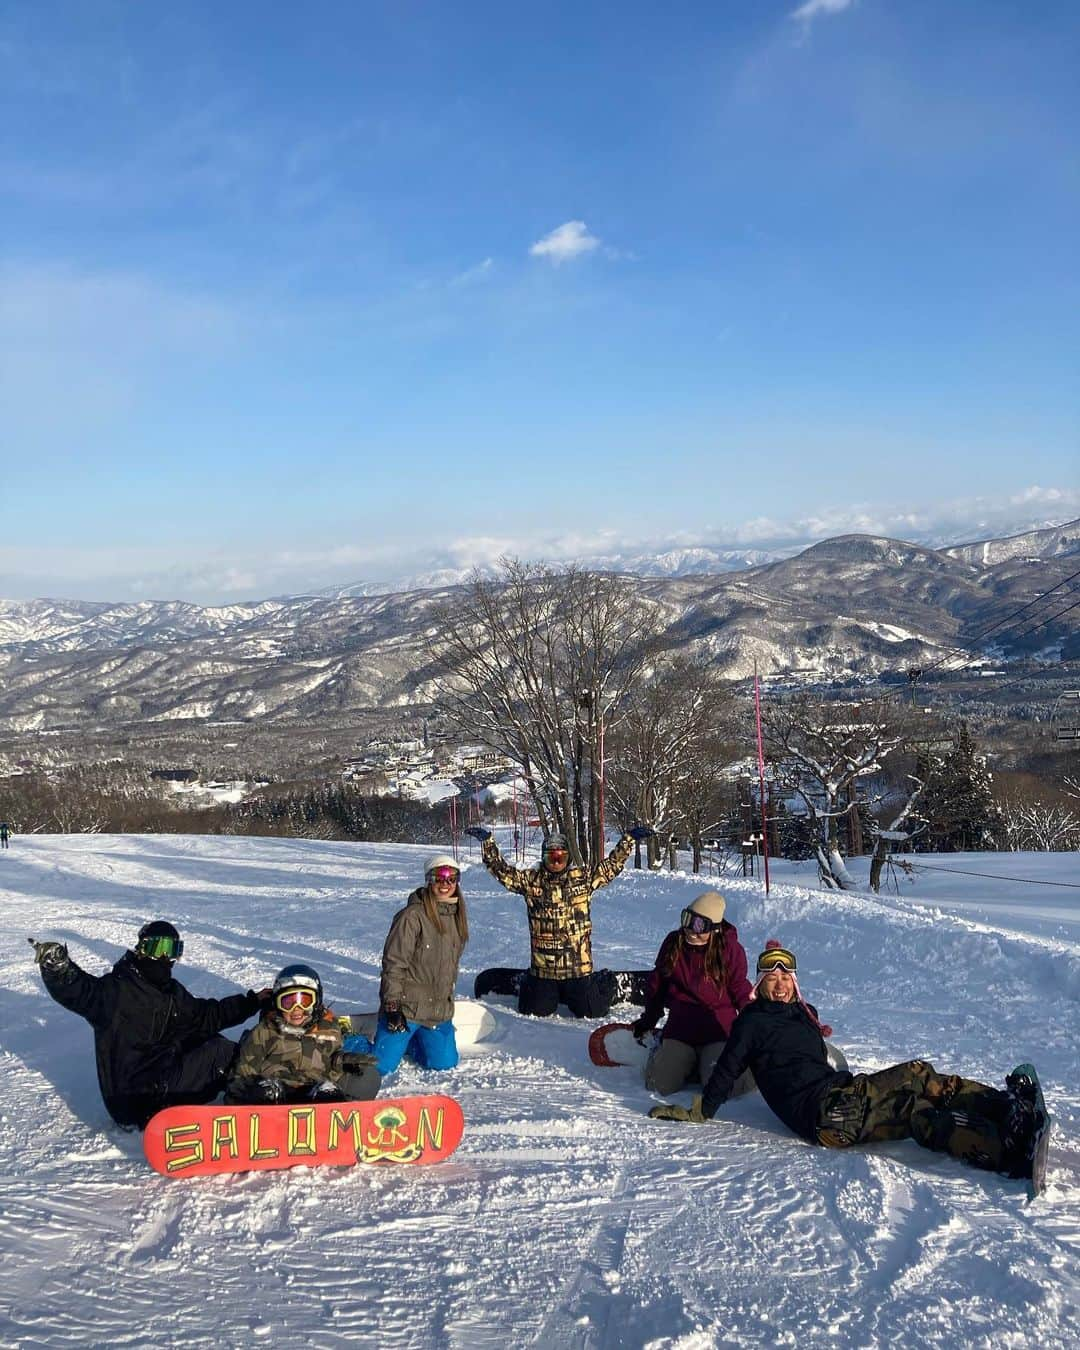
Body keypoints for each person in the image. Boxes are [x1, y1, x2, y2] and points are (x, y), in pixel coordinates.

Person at [648, 940, 1046, 1181]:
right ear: (759, 983)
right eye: (772, 977)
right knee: (916, 1074)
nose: (781, 983)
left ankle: (1002, 1148)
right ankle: (1003, 1107)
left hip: (838, 1107)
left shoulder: (801, 1014)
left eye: (787, 977)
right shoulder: (750, 1023)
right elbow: (728, 1068)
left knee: (917, 1113)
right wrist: (699, 1111)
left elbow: (820, 1055)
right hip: (825, 1112)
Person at [30, 921, 269, 1130]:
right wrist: (59, 969)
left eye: (172, 950)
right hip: (134, 1099)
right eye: (158, 948)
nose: (165, 958)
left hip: (161, 1078)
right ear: (142, 949)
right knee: (221, 1053)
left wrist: (252, 1002)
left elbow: (206, 1016)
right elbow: (81, 992)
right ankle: (254, 1109)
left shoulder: (169, 993)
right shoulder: (117, 991)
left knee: (211, 1040)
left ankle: (272, 1082)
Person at [467, 824, 647, 1018]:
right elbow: (502, 871)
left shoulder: (583, 879)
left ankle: (605, 980)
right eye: (550, 857)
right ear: (543, 857)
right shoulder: (530, 881)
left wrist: (628, 840)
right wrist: (488, 844)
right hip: (544, 971)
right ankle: (525, 980)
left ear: (567, 857)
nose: (555, 862)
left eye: (560, 857)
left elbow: (611, 866)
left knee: (593, 1010)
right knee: (533, 1010)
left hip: (578, 970)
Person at [344, 854, 469, 1077]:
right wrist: (392, 1007)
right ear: (429, 880)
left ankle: (410, 1042)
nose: (446, 884)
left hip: (437, 1012)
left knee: (444, 1064)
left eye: (452, 878)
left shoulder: (457, 917)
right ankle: (349, 1039)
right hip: (407, 1009)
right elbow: (394, 964)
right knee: (380, 1067)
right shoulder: (412, 917)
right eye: (439, 877)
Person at [632, 891, 754, 1097]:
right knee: (659, 1085)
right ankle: (675, 1059)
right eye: (687, 920)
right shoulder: (674, 943)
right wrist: (648, 1021)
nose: (690, 930)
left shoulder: (730, 950)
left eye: (699, 926)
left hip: (718, 1032)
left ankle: (745, 1065)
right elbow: (657, 987)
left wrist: (756, 1027)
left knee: (722, 1089)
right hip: (681, 1030)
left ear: (714, 929)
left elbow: (741, 989)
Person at [226, 963, 380, 1105]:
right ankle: (267, 1115)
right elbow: (242, 1072)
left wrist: (343, 1060)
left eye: (305, 1001)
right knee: (260, 1092)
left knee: (368, 1075)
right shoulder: (265, 1031)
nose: (297, 1009)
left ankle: (337, 1113)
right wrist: (249, 1091)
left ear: (317, 1001)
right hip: (277, 1093)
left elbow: (330, 1060)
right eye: (288, 1002)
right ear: (277, 1004)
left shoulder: (329, 1028)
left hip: (313, 1091)